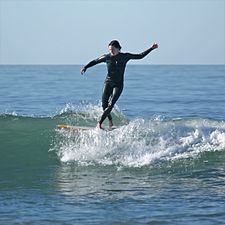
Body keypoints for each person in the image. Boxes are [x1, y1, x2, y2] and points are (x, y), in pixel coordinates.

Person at [80, 40, 158, 129]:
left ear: (118, 49)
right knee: (104, 105)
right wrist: (85, 67)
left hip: (118, 84)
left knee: (111, 104)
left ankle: (99, 124)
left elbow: (140, 56)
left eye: (113, 49)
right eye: (110, 49)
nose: (111, 51)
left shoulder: (125, 57)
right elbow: (95, 61)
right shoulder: (107, 57)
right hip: (108, 83)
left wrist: (151, 48)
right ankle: (110, 121)